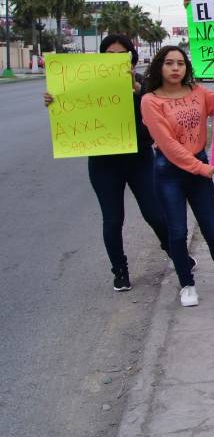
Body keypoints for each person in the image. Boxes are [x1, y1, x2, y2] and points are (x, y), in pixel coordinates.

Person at [42, 35, 169, 292]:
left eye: (122, 54)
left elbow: (159, 116)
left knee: (154, 212)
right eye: (109, 55)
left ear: (132, 58)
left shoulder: (145, 85)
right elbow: (71, 108)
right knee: (113, 219)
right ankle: (119, 271)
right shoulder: (88, 84)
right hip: (104, 163)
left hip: (139, 158)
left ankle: (175, 253)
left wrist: (137, 90)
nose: (115, 59)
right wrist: (55, 101)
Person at [141, 46, 214, 307]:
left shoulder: (198, 93)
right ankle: (187, 285)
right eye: (169, 63)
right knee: (177, 232)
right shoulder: (150, 101)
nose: (175, 68)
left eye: (180, 63)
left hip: (199, 167)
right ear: (160, 67)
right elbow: (167, 144)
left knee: (213, 229)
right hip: (170, 172)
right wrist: (201, 168)